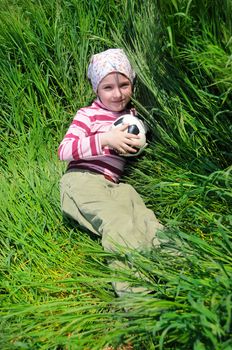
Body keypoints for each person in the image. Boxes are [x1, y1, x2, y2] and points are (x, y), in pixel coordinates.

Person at [58, 48, 164, 296]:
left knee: (146, 220)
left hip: (116, 185)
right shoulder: (88, 115)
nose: (118, 94)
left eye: (124, 85)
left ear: (132, 83)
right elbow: (64, 150)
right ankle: (137, 296)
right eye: (108, 87)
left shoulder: (132, 117)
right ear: (96, 89)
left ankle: (179, 266)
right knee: (118, 222)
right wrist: (106, 138)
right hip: (82, 180)